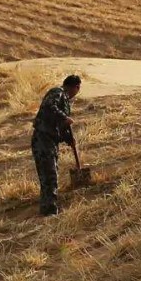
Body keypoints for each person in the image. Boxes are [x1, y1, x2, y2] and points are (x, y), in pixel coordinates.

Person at [31, 75, 80, 216]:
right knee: (49, 175)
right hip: (43, 140)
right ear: (76, 87)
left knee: (50, 175)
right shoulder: (57, 93)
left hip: (50, 141)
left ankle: (48, 208)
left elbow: (59, 125)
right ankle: (49, 211)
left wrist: (69, 139)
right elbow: (49, 107)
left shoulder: (64, 100)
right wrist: (64, 117)